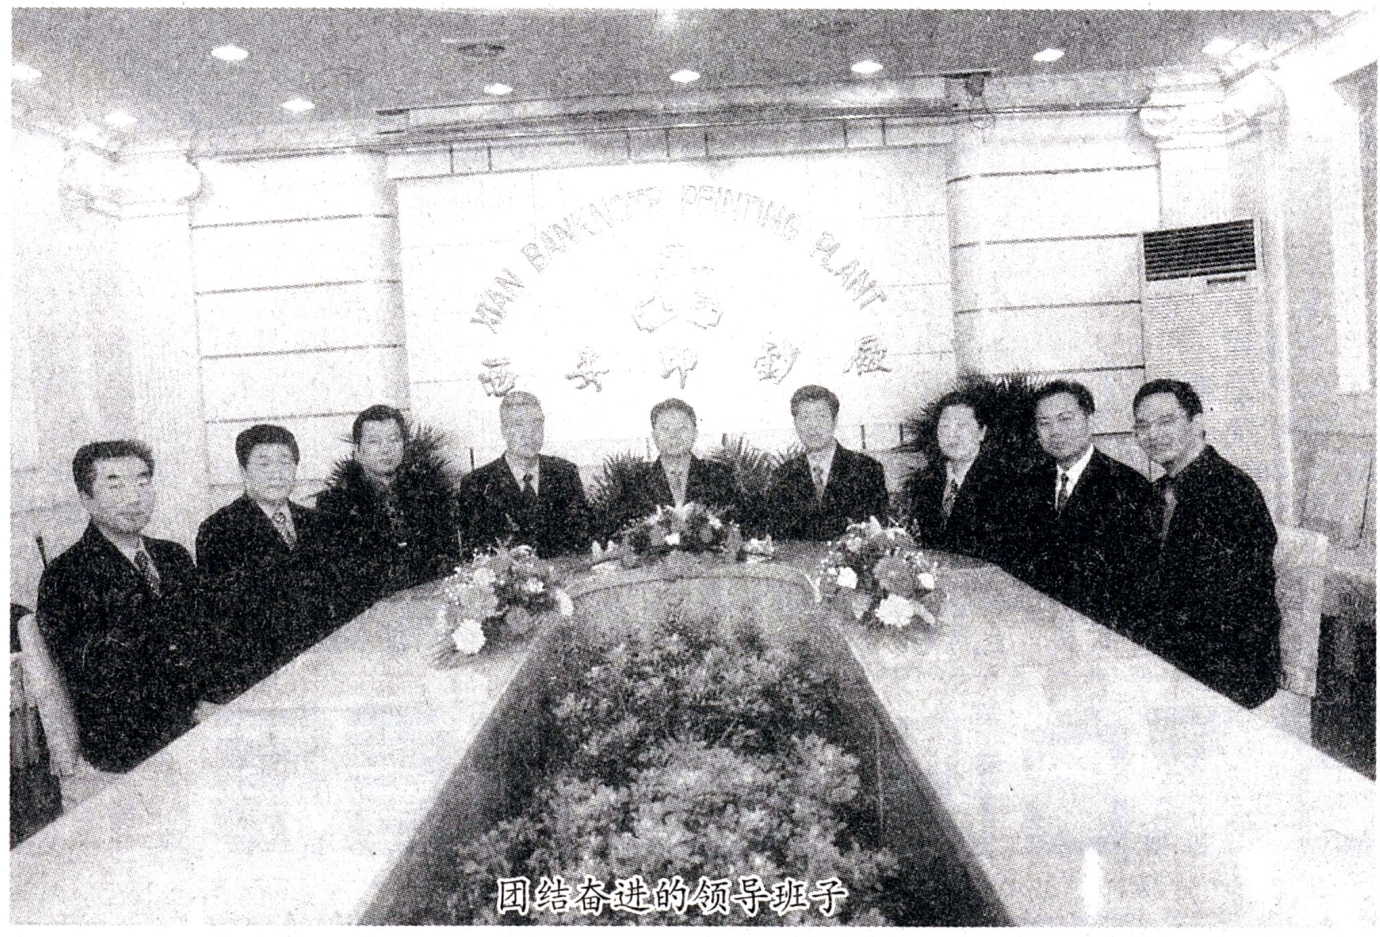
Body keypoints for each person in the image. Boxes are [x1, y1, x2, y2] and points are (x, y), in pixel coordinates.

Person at [36, 441, 200, 772]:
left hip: (192, 719)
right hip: (133, 744)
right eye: (115, 486)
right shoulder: (66, 575)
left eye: (142, 482)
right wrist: (193, 713)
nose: (134, 497)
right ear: (86, 498)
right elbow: (103, 686)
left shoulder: (173, 556)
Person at [1133, 379, 1281, 708]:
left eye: (1166, 421)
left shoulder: (1233, 492)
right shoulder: (1157, 492)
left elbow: (1226, 606)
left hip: (1227, 667)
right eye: (1143, 426)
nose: (1153, 434)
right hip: (1177, 653)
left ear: (1197, 422)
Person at [1004, 380, 1161, 635]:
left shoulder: (1128, 486)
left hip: (1102, 634)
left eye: (1065, 419)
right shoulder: (1025, 486)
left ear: (1090, 421)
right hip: (1038, 631)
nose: (1055, 431)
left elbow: (1135, 586)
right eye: (1044, 423)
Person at [195, 424, 334, 703]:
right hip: (260, 676)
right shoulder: (220, 529)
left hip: (323, 664)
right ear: (243, 471)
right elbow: (227, 619)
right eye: (264, 463)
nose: (276, 472)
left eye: (285, 462)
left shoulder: (316, 522)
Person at [316, 405, 460, 621]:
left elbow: (445, 556)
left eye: (393, 440)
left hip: (428, 610)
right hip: (369, 617)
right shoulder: (336, 503)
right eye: (374, 441)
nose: (386, 449)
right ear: (358, 451)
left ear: (403, 445)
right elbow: (343, 576)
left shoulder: (429, 494)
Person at [457, 392, 590, 558]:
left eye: (536, 424)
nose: (529, 433)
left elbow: (583, 540)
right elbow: (474, 553)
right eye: (518, 424)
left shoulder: (565, 473)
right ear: (504, 431)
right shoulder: (477, 484)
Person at [763, 384, 890, 541]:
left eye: (821, 416)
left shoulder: (867, 469)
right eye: (805, 417)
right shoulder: (783, 475)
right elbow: (778, 536)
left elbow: (877, 533)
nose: (813, 426)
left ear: (835, 420)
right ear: (795, 423)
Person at [901, 390, 1009, 561]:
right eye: (945, 426)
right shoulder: (928, 482)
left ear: (982, 432)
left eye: (961, 425)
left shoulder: (1003, 483)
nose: (952, 435)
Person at [617, 398, 740, 524]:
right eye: (665, 428)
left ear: (695, 434)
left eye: (682, 428)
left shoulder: (719, 474)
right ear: (654, 436)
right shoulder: (636, 480)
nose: (674, 435)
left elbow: (737, 522)